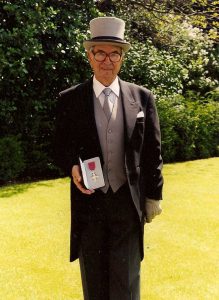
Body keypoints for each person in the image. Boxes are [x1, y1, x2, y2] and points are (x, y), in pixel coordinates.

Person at [55, 16, 163, 300]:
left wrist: (154, 196)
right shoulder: (69, 99)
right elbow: (59, 145)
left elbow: (153, 152)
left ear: (122, 58)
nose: (107, 60)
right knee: (94, 284)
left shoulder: (142, 98)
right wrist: (71, 166)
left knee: (126, 285)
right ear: (89, 55)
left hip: (127, 204)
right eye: (100, 52)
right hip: (89, 205)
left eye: (114, 53)